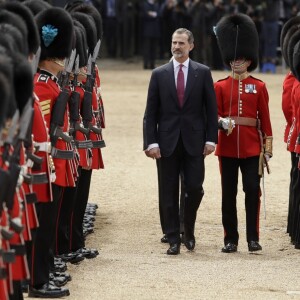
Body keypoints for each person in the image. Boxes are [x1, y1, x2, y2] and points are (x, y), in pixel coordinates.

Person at [143, 27, 218, 255]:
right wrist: (151, 142)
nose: (176, 47)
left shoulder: (203, 72)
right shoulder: (159, 74)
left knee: (195, 187)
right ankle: (174, 237)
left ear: (191, 46)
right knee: (168, 190)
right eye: (174, 43)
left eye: (181, 43)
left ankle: (189, 229)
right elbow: (150, 113)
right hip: (166, 142)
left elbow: (211, 109)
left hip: (195, 141)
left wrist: (211, 139)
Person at [214, 13, 273, 253]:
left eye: (239, 59)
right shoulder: (219, 85)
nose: (235, 62)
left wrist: (267, 149)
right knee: (229, 195)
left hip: (251, 148)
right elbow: (214, 115)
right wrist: (221, 122)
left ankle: (252, 238)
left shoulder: (258, 86)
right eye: (232, 59)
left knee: (252, 192)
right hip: (227, 147)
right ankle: (231, 238)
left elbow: (265, 120)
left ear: (248, 61)